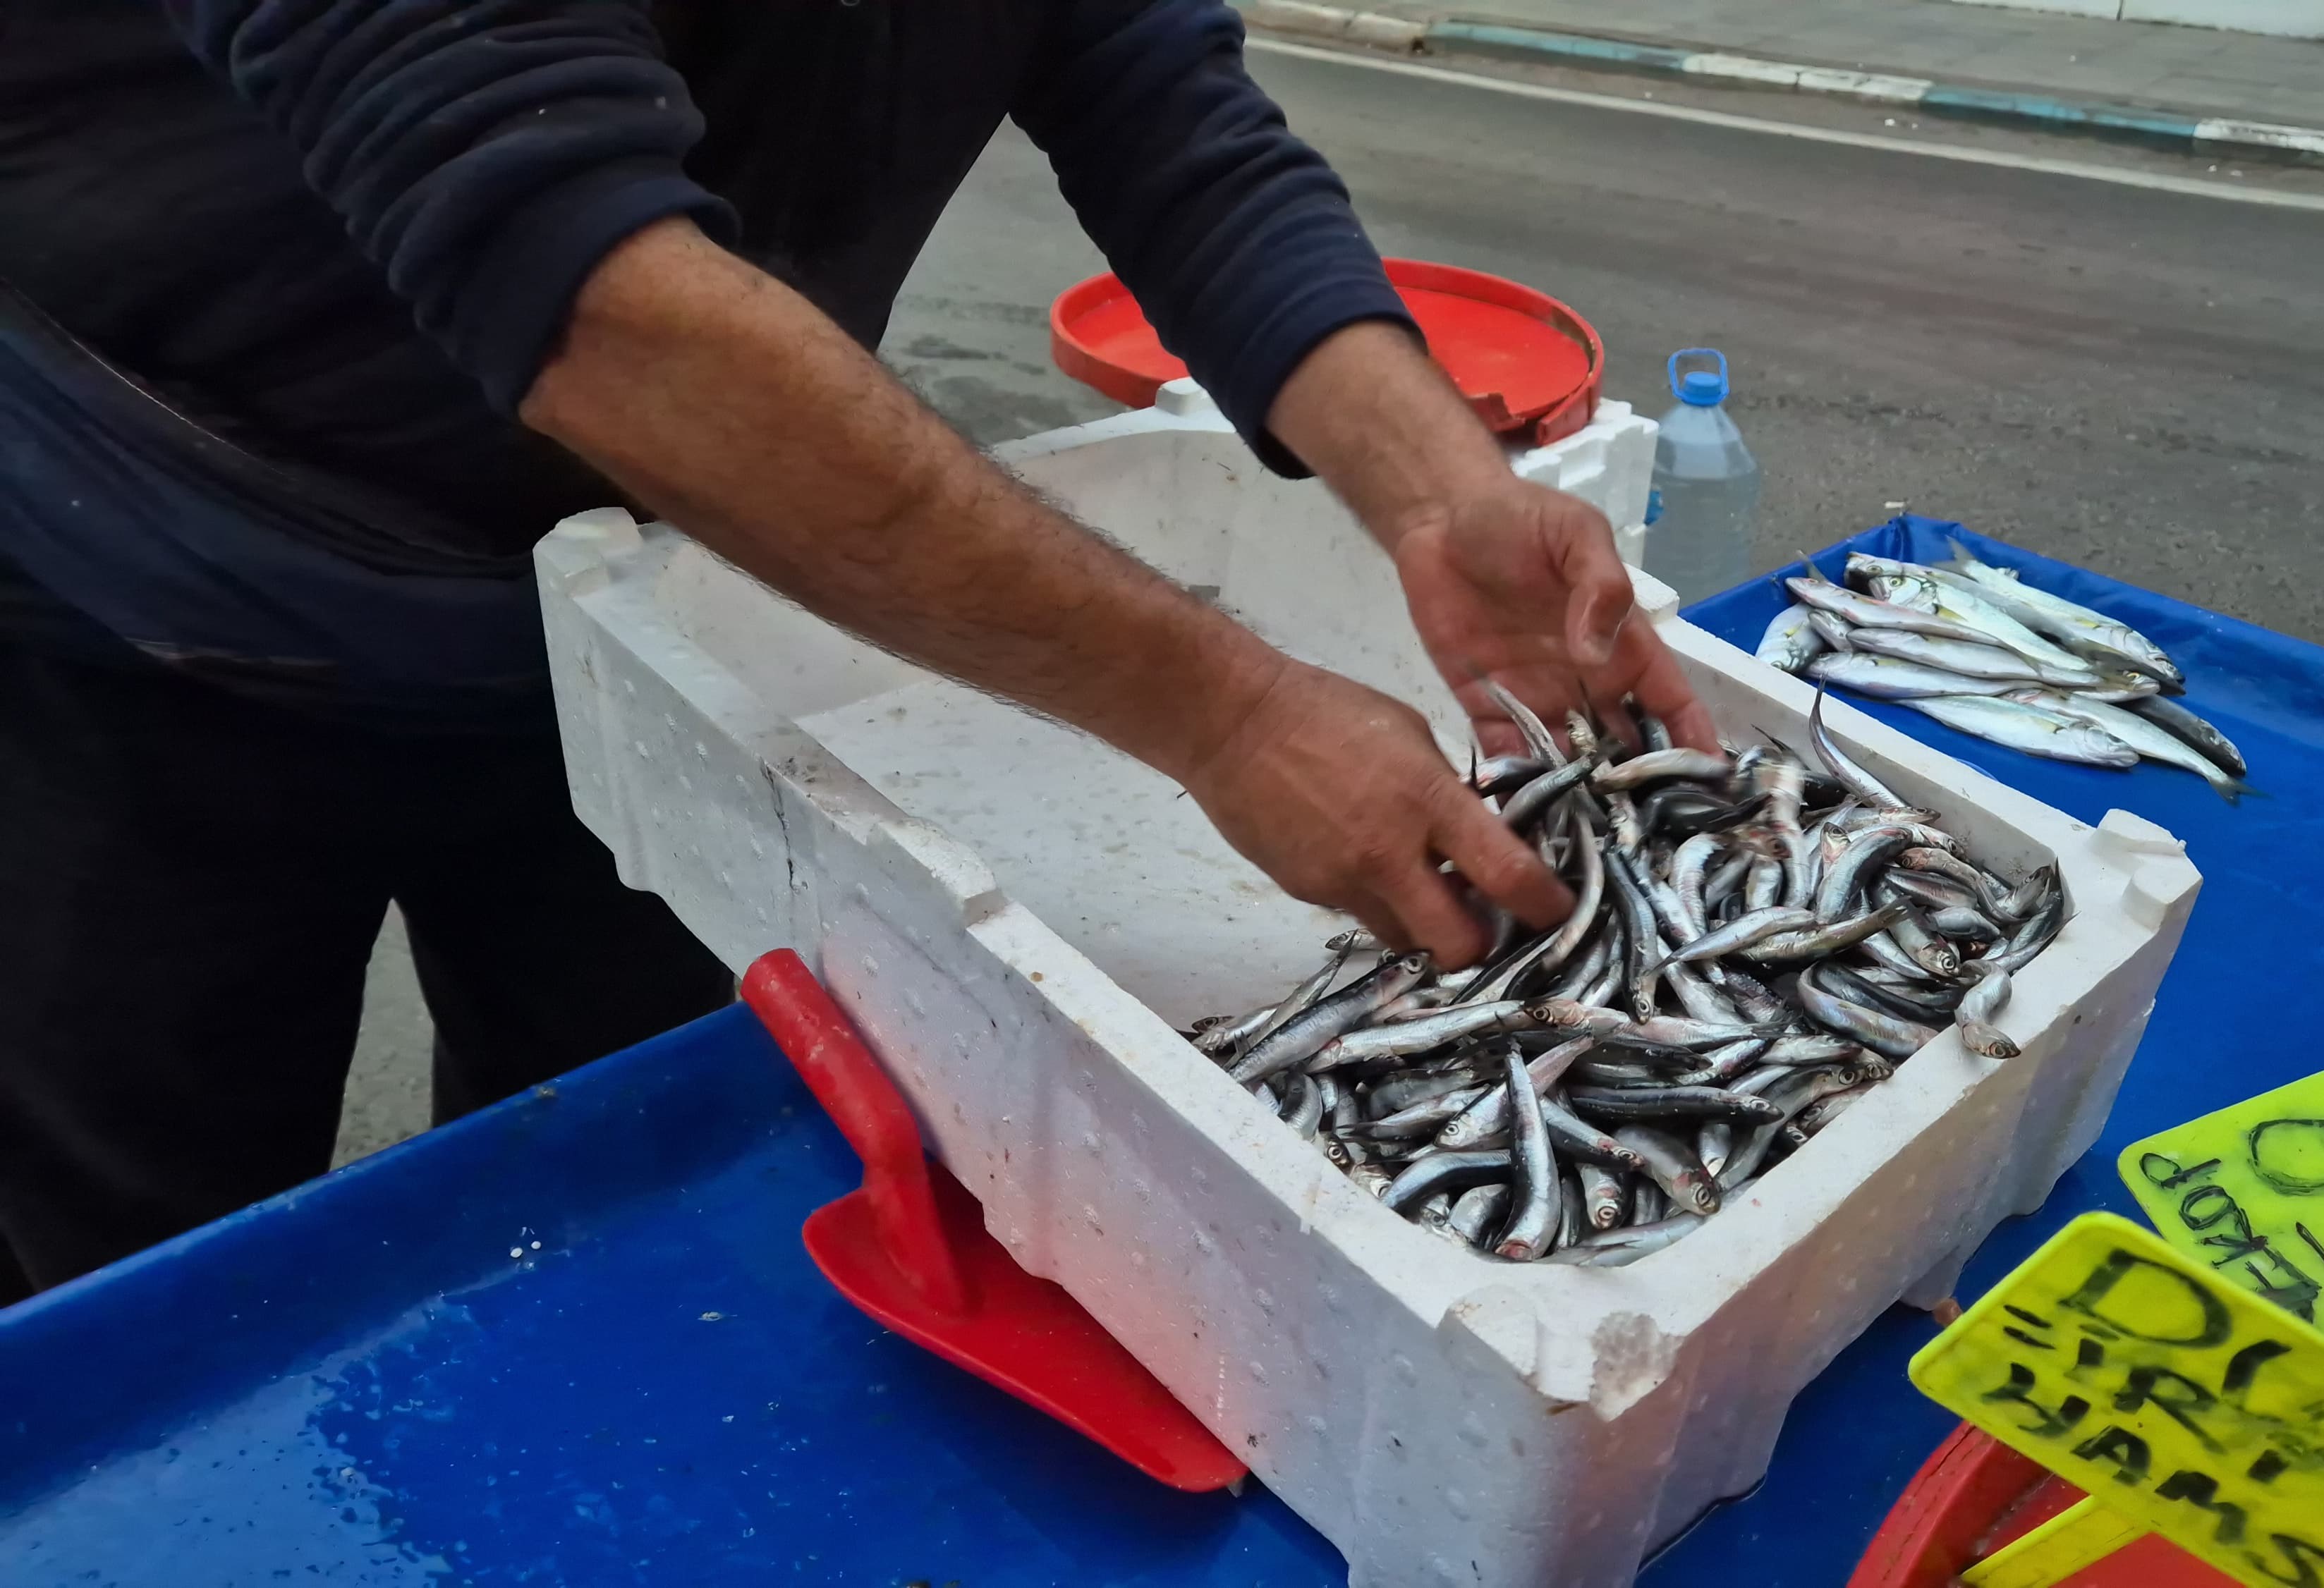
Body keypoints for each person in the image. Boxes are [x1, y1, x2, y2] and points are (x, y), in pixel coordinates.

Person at [0, 0, 1715, 1300]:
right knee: (138, 1306)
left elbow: (1156, 99)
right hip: (143, 596)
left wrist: (1439, 495)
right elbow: (588, 292)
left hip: (663, 608)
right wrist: (1235, 714)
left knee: (601, 1209)